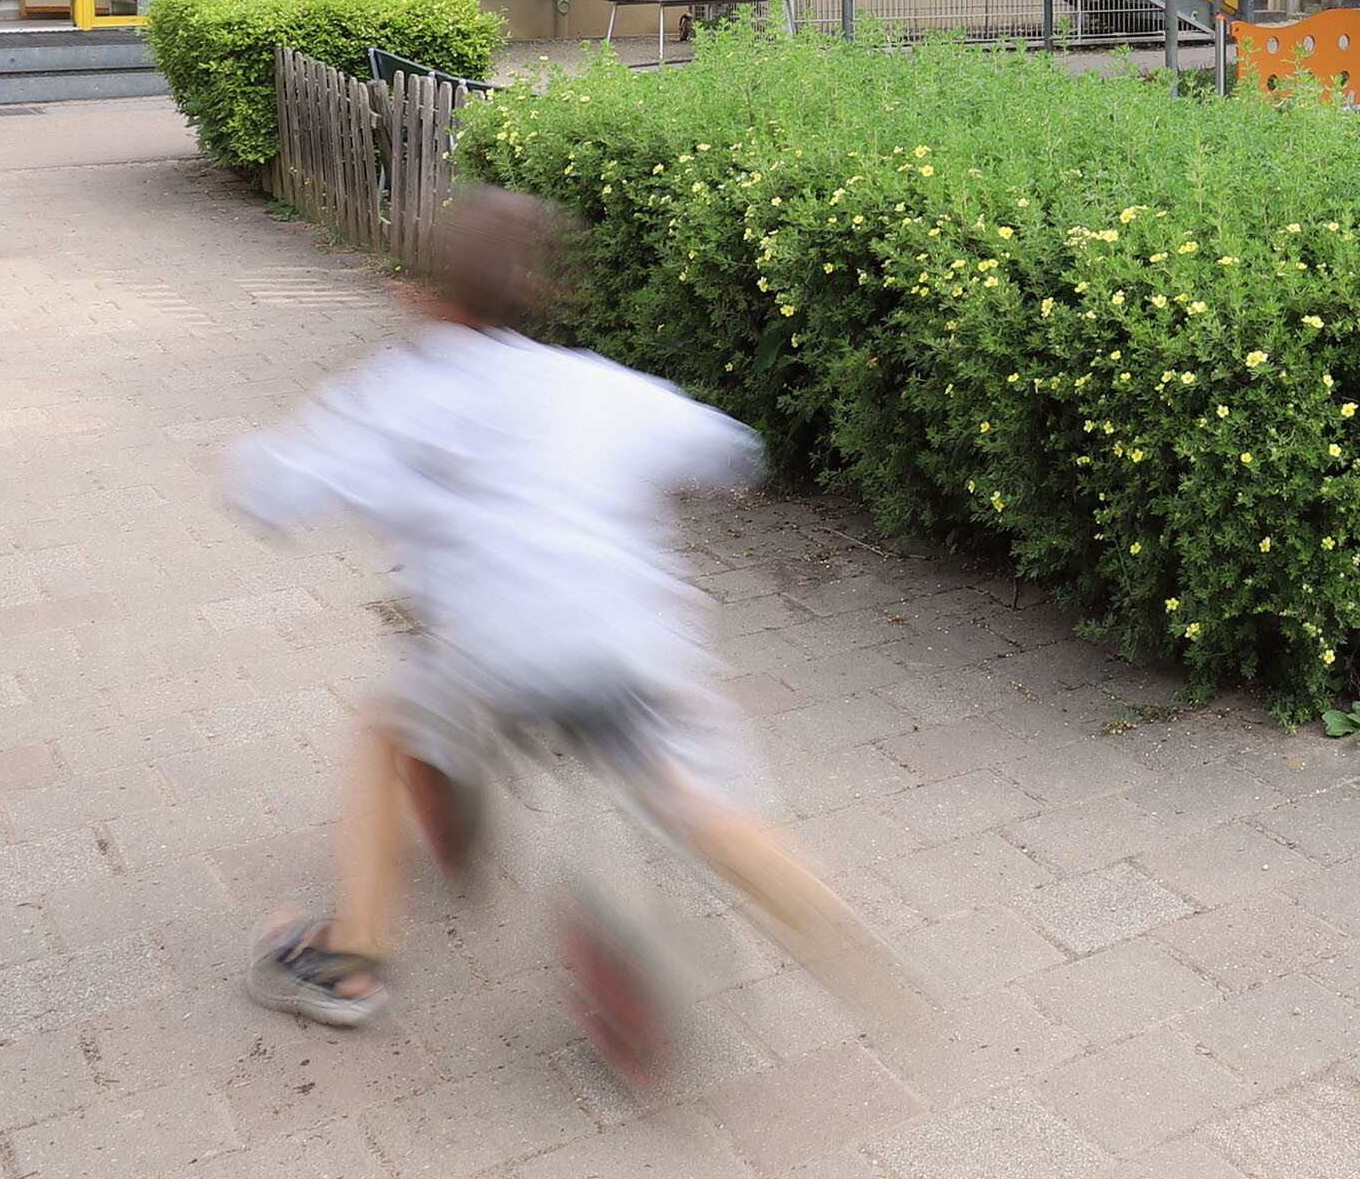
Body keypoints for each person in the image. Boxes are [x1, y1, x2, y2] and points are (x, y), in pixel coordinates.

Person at [216, 187, 914, 1042]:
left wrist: (251, 475)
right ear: (537, 295)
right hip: (628, 640)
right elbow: (730, 446)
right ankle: (846, 943)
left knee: (384, 728)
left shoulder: (396, 390)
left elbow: (271, 485)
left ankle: (351, 959)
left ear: (422, 295)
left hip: (492, 652)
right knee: (693, 796)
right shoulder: (594, 383)